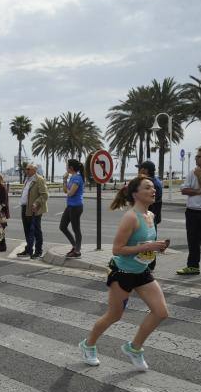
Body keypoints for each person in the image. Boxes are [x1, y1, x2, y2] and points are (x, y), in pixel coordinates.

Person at [79, 176, 170, 371]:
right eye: (147, 188)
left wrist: (156, 247)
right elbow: (117, 249)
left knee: (161, 312)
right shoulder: (131, 217)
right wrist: (147, 247)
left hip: (142, 271)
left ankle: (134, 348)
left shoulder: (151, 215)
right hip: (122, 273)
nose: (153, 190)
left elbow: (143, 245)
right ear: (135, 194)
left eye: (153, 187)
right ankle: (88, 344)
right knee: (114, 315)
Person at [177, 146, 201, 276]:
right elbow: (183, 189)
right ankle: (193, 266)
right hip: (191, 212)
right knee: (193, 240)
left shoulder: (197, 173)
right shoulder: (192, 172)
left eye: (199, 156)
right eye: (196, 156)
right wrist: (198, 191)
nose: (196, 158)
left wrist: (200, 176)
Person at [17, 163, 48, 259]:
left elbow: (44, 195)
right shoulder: (27, 179)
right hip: (25, 208)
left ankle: (38, 251)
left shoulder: (39, 179)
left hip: (35, 209)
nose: (26, 171)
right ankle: (29, 249)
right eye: (26, 169)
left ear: (34, 170)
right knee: (27, 230)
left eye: (28, 169)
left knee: (36, 231)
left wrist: (36, 203)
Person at [60, 159, 85, 258]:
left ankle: (77, 251)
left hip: (76, 207)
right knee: (62, 226)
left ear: (71, 168)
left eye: (67, 166)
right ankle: (75, 246)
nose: (66, 167)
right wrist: (64, 180)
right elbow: (65, 191)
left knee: (76, 229)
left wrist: (68, 190)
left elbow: (71, 193)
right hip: (70, 206)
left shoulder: (77, 178)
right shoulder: (72, 177)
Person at [137, 161, 163, 227]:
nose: (139, 171)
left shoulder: (150, 184)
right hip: (151, 217)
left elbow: (147, 201)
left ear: (145, 170)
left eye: (140, 169)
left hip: (149, 218)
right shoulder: (155, 181)